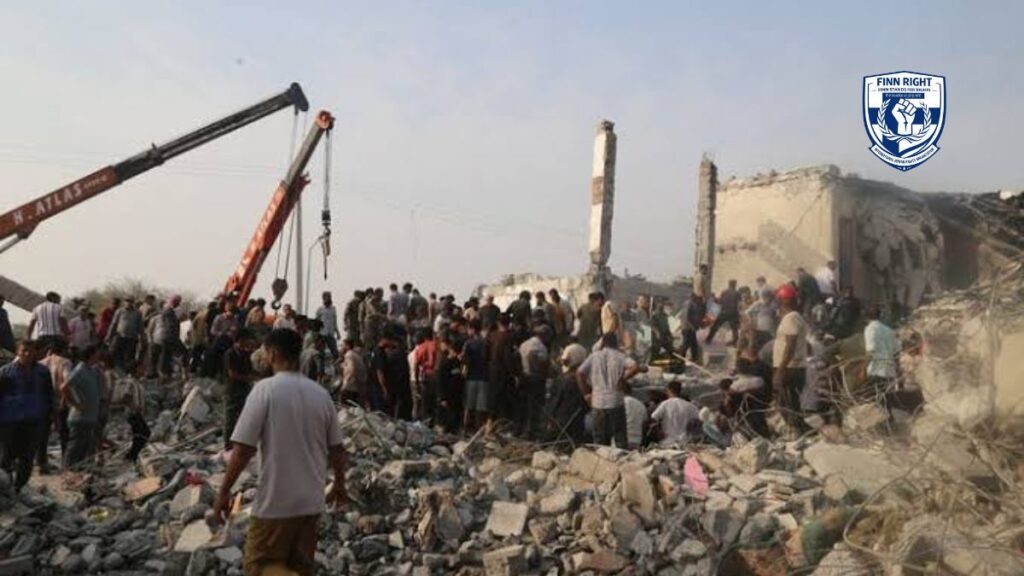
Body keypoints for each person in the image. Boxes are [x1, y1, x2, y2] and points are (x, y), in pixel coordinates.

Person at [212, 329, 347, 576]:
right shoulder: (321, 394)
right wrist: (339, 484)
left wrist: (223, 492)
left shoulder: (264, 390)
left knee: (259, 566)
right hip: (311, 503)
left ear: (273, 354)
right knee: (300, 566)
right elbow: (337, 449)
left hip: (276, 503)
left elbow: (242, 450)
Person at [0, 340, 53, 490]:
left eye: (30, 351)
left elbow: (49, 396)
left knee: (28, 458)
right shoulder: (5, 372)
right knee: (5, 458)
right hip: (9, 422)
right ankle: (5, 488)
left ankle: (19, 488)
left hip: (34, 422)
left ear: (36, 353)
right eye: (24, 351)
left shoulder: (43, 372)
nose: (27, 354)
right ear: (18, 352)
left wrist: (52, 417)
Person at [576, 333, 640, 448]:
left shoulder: (593, 356)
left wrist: (586, 394)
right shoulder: (620, 356)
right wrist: (623, 379)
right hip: (615, 401)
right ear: (615, 343)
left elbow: (579, 373)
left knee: (600, 439)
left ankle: (601, 463)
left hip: (598, 402)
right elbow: (635, 367)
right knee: (619, 437)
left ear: (603, 343)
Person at [772, 284, 810, 434]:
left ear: (782, 300)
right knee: (791, 401)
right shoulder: (796, 317)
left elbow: (790, 345)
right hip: (794, 366)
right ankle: (799, 429)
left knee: (786, 401)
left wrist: (780, 369)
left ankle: (796, 430)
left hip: (790, 368)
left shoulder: (791, 318)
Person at [62, 345, 104, 471]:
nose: (99, 355)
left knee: (84, 447)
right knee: (75, 446)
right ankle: (67, 471)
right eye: (97, 353)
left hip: (89, 417)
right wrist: (75, 404)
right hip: (79, 417)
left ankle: (77, 471)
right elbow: (64, 387)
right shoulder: (79, 369)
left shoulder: (91, 370)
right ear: (91, 354)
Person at [546, 337, 588, 446]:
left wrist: (550, 419)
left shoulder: (563, 380)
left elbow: (554, 403)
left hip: (561, 423)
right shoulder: (585, 381)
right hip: (577, 424)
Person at [40, 340, 74, 467]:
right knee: (64, 434)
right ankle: (66, 463)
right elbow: (67, 382)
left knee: (43, 435)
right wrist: (65, 401)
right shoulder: (65, 363)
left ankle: (42, 463)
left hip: (44, 403)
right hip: (60, 402)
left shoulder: (41, 363)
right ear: (63, 350)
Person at [223, 330, 258, 451]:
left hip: (244, 389)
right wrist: (248, 378)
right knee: (230, 419)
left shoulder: (245, 354)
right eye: (244, 341)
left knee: (244, 418)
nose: (246, 343)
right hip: (232, 390)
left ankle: (240, 444)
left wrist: (258, 376)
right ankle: (228, 446)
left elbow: (250, 370)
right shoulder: (230, 354)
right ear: (238, 341)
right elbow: (232, 374)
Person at [518, 325, 551, 440]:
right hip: (536, 379)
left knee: (525, 406)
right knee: (535, 407)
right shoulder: (540, 347)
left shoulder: (524, 344)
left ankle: (522, 430)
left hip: (524, 377)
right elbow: (534, 359)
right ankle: (531, 432)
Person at [863, 305, 899, 399]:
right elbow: (896, 351)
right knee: (888, 401)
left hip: (876, 371)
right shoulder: (890, 331)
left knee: (876, 402)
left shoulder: (870, 329)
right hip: (890, 372)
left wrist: (862, 369)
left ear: (866, 317)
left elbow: (870, 352)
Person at [461, 319, 490, 431]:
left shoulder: (468, 343)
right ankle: (479, 429)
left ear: (472, 329)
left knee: (469, 406)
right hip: (483, 377)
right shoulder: (485, 342)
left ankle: (466, 429)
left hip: (471, 377)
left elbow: (464, 359)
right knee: (481, 407)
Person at [486, 314, 516, 423]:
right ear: (509, 324)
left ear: (498, 323)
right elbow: (508, 357)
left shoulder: (492, 335)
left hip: (492, 370)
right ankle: (500, 425)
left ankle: (489, 424)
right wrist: (513, 373)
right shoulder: (509, 337)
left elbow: (486, 353)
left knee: (492, 398)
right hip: (503, 372)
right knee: (503, 400)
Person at [107, 298, 144, 372]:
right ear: (124, 303)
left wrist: (142, 338)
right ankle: (116, 370)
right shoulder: (119, 311)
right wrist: (109, 335)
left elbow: (140, 327)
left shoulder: (137, 313)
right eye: (127, 302)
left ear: (133, 303)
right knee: (115, 353)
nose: (128, 303)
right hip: (120, 336)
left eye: (130, 302)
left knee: (128, 356)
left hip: (132, 338)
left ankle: (126, 372)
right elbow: (114, 324)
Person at [152, 295, 183, 382]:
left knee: (164, 357)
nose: (178, 304)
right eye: (178, 302)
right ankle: (163, 376)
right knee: (164, 357)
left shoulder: (167, 311)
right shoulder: (169, 311)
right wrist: (175, 339)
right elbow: (170, 326)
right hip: (166, 337)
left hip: (161, 337)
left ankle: (164, 375)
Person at [706, 279, 741, 346]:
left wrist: (713, 311)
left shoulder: (724, 292)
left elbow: (719, 302)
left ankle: (708, 339)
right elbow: (739, 305)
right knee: (734, 329)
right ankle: (735, 342)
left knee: (715, 326)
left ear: (729, 284)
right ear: (735, 285)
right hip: (733, 313)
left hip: (724, 312)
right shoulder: (737, 293)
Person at [338, 338, 367, 407]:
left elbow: (352, 369)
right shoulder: (355, 355)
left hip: (350, 387)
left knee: (345, 408)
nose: (341, 348)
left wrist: (345, 384)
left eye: (342, 345)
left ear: (347, 346)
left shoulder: (349, 355)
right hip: (356, 387)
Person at [680, 293, 706, 363]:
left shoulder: (691, 304)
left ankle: (694, 358)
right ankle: (681, 359)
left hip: (691, 327)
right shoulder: (689, 304)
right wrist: (692, 326)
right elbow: (687, 317)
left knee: (693, 344)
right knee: (686, 344)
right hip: (688, 328)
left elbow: (694, 316)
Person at [622, 382, 647, 450]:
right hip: (636, 440)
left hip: (622, 438)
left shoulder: (619, 402)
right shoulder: (641, 404)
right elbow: (644, 424)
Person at [315, 292, 340, 359]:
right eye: (326, 297)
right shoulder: (320, 309)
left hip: (330, 333)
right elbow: (316, 322)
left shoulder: (333, 309)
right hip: (322, 333)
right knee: (321, 353)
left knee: (335, 352)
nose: (328, 299)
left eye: (329, 297)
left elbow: (335, 321)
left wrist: (337, 332)